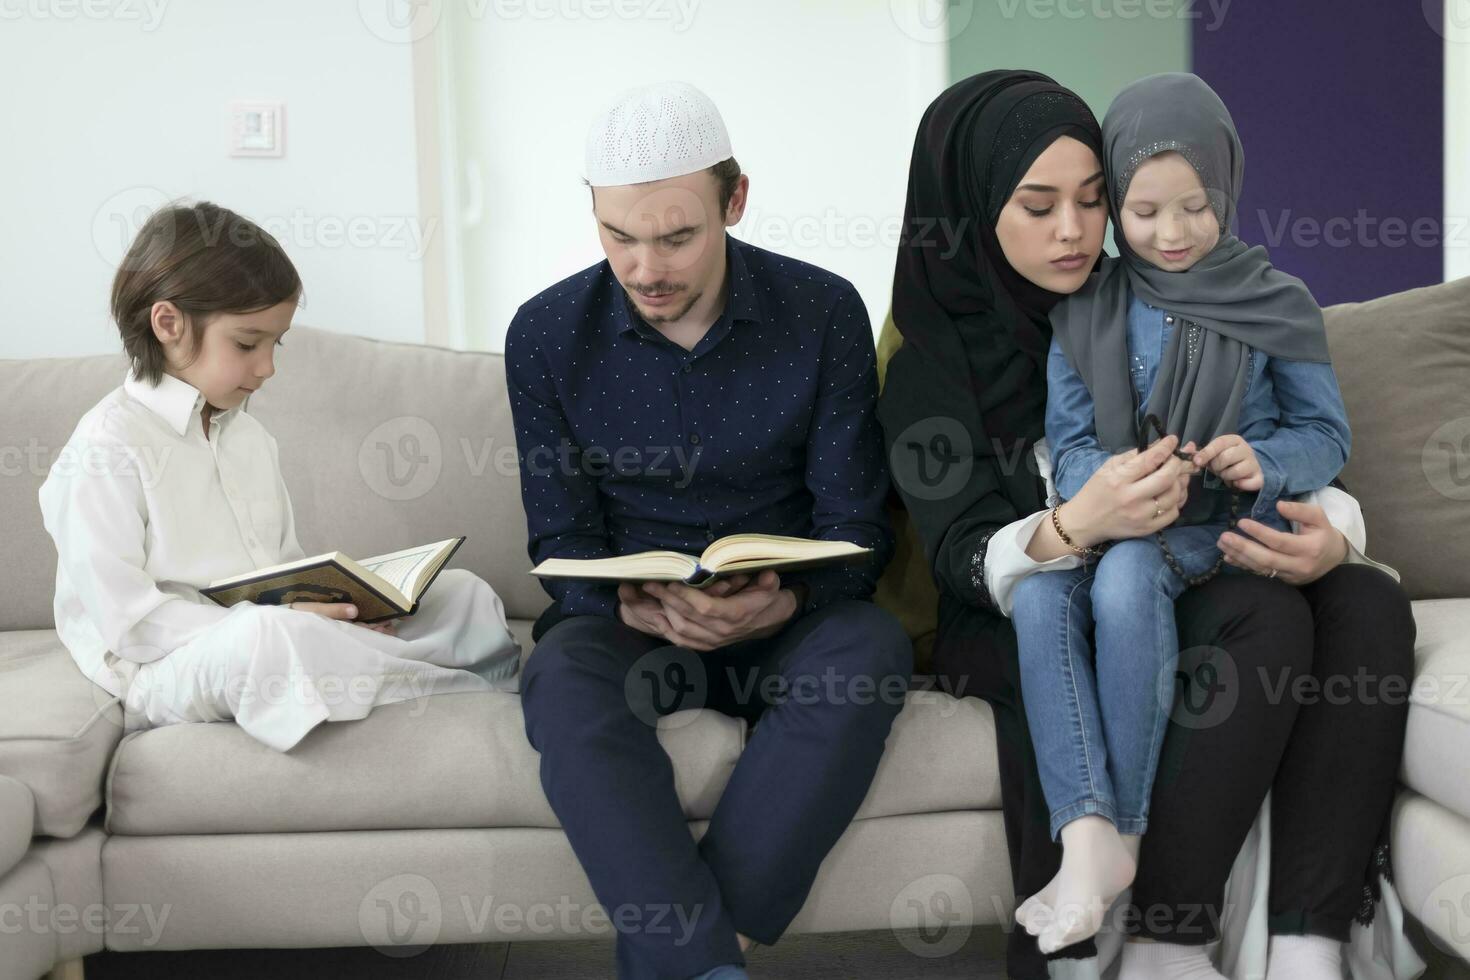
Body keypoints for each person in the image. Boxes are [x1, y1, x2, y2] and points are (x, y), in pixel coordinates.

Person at [877, 70, 1418, 980]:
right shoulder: (928, 355)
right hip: (1026, 596)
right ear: (970, 209)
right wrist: (1075, 524)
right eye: (1038, 205)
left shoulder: (1186, 291)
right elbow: (965, 556)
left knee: (1363, 600)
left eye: (1093, 201)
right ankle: (1161, 927)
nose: (1074, 231)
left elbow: (1298, 434)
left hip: (1185, 545)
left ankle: (1310, 935)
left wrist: (1335, 532)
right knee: (1266, 620)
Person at [506, 81, 911, 980]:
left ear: (735, 201)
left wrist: (784, 603)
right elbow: (558, 542)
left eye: (677, 235)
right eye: (620, 236)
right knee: (560, 678)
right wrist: (638, 609)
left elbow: (855, 526)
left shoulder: (824, 310)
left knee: (872, 649)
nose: (646, 266)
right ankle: (707, 961)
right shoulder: (542, 334)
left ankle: (689, 954)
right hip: (630, 626)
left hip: (789, 620)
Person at [1009, 72, 1354, 955]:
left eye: (1196, 207)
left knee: (1124, 577)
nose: (1172, 234)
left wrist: (1266, 460)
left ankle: (1121, 835)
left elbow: (1326, 434)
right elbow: (1072, 441)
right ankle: (1091, 838)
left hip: (1220, 529)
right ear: (1116, 205)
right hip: (1129, 518)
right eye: (1145, 211)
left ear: (1228, 191)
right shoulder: (1086, 311)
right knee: (1048, 594)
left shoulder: (1279, 302)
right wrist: (1113, 481)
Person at [39, 201, 521, 753]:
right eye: (247, 344)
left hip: (279, 629)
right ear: (168, 323)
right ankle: (448, 688)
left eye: (275, 344)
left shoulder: (247, 436)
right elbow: (132, 625)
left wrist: (340, 607)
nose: (267, 368)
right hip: (164, 666)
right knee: (271, 638)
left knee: (463, 594)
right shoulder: (105, 448)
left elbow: (282, 571)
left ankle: (384, 672)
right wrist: (299, 623)